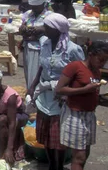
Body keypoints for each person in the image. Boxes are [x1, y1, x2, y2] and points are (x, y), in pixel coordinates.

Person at [29, 13, 85, 170]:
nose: (44, 29)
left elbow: (80, 73)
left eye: (48, 27)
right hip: (44, 94)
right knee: (45, 134)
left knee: (58, 136)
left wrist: (69, 93)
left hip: (61, 97)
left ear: (58, 30)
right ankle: (51, 164)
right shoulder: (45, 43)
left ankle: (58, 166)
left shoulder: (73, 49)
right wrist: (33, 85)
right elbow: (42, 66)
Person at [55, 41, 108, 170]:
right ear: (90, 55)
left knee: (86, 153)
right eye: (100, 60)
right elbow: (59, 89)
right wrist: (85, 90)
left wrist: (100, 99)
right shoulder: (75, 67)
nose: (102, 64)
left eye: (105, 61)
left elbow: (92, 92)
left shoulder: (96, 71)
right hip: (75, 114)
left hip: (89, 115)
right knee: (80, 156)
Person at [19, 0, 52, 89]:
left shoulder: (49, 15)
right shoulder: (28, 14)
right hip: (28, 47)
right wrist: (23, 29)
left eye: (36, 6)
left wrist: (40, 29)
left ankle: (36, 94)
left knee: (37, 74)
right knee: (29, 73)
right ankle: (30, 92)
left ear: (43, 4)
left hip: (41, 49)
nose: (33, 9)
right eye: (32, 6)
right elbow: (22, 27)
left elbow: (52, 30)